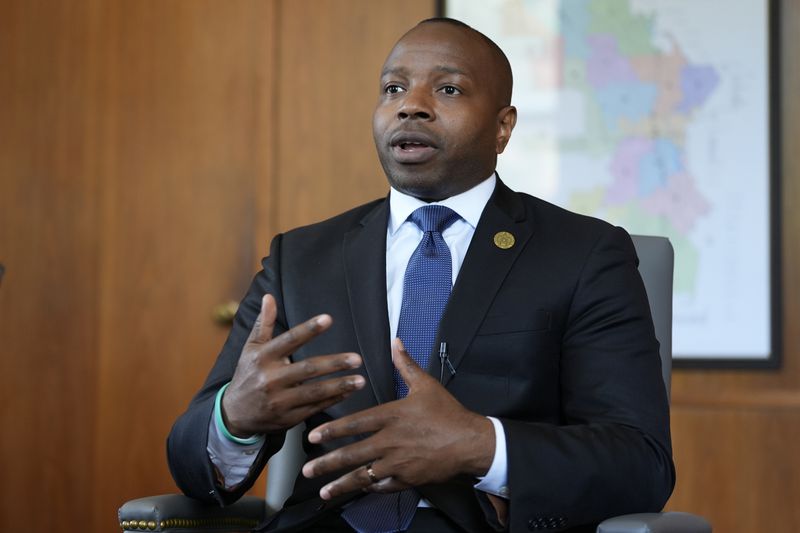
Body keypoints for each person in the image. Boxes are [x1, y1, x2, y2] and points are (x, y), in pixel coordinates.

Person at [168, 18, 674, 533]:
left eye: (449, 89)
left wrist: (481, 445)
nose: (411, 104)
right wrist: (233, 422)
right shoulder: (299, 259)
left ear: (503, 127)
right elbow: (191, 461)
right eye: (394, 88)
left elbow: (640, 464)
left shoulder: (583, 254)